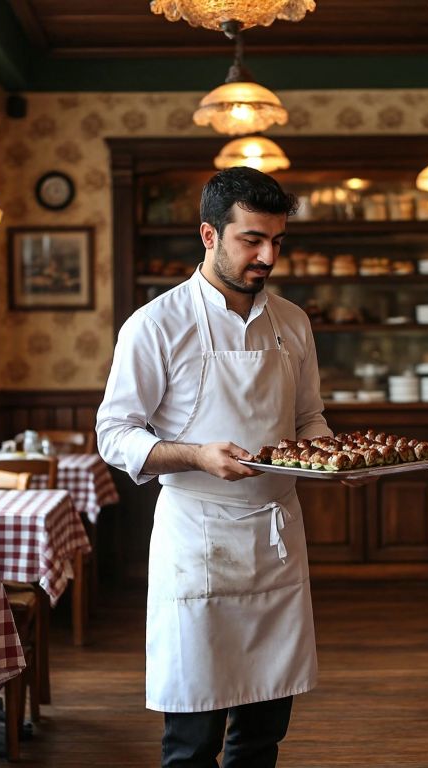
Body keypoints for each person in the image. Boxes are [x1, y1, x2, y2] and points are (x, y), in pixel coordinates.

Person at [97, 167, 339, 768]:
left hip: (276, 538)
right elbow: (114, 434)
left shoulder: (293, 321)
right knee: (192, 740)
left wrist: (332, 460)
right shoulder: (156, 324)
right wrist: (197, 455)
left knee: (263, 735)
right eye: (251, 240)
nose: (267, 257)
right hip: (197, 539)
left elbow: (309, 418)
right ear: (209, 235)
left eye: (277, 241)